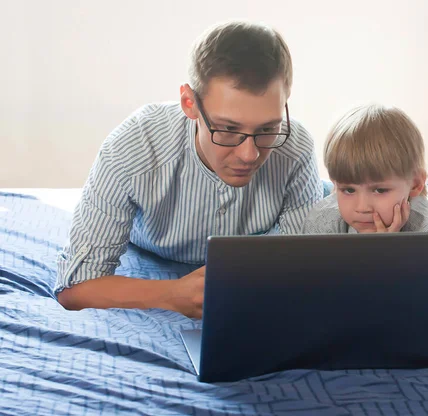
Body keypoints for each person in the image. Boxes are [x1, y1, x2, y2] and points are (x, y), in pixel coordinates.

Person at [55, 21, 323, 318]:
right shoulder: (133, 147)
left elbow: (302, 265)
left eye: (268, 128)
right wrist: (170, 294)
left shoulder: (295, 148)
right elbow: (74, 287)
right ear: (189, 103)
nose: (250, 155)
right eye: (228, 129)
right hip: (153, 248)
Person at [302, 104, 428, 234]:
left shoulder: (427, 229)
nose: (362, 207)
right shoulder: (320, 222)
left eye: (379, 190)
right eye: (348, 190)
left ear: (415, 184)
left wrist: (388, 250)